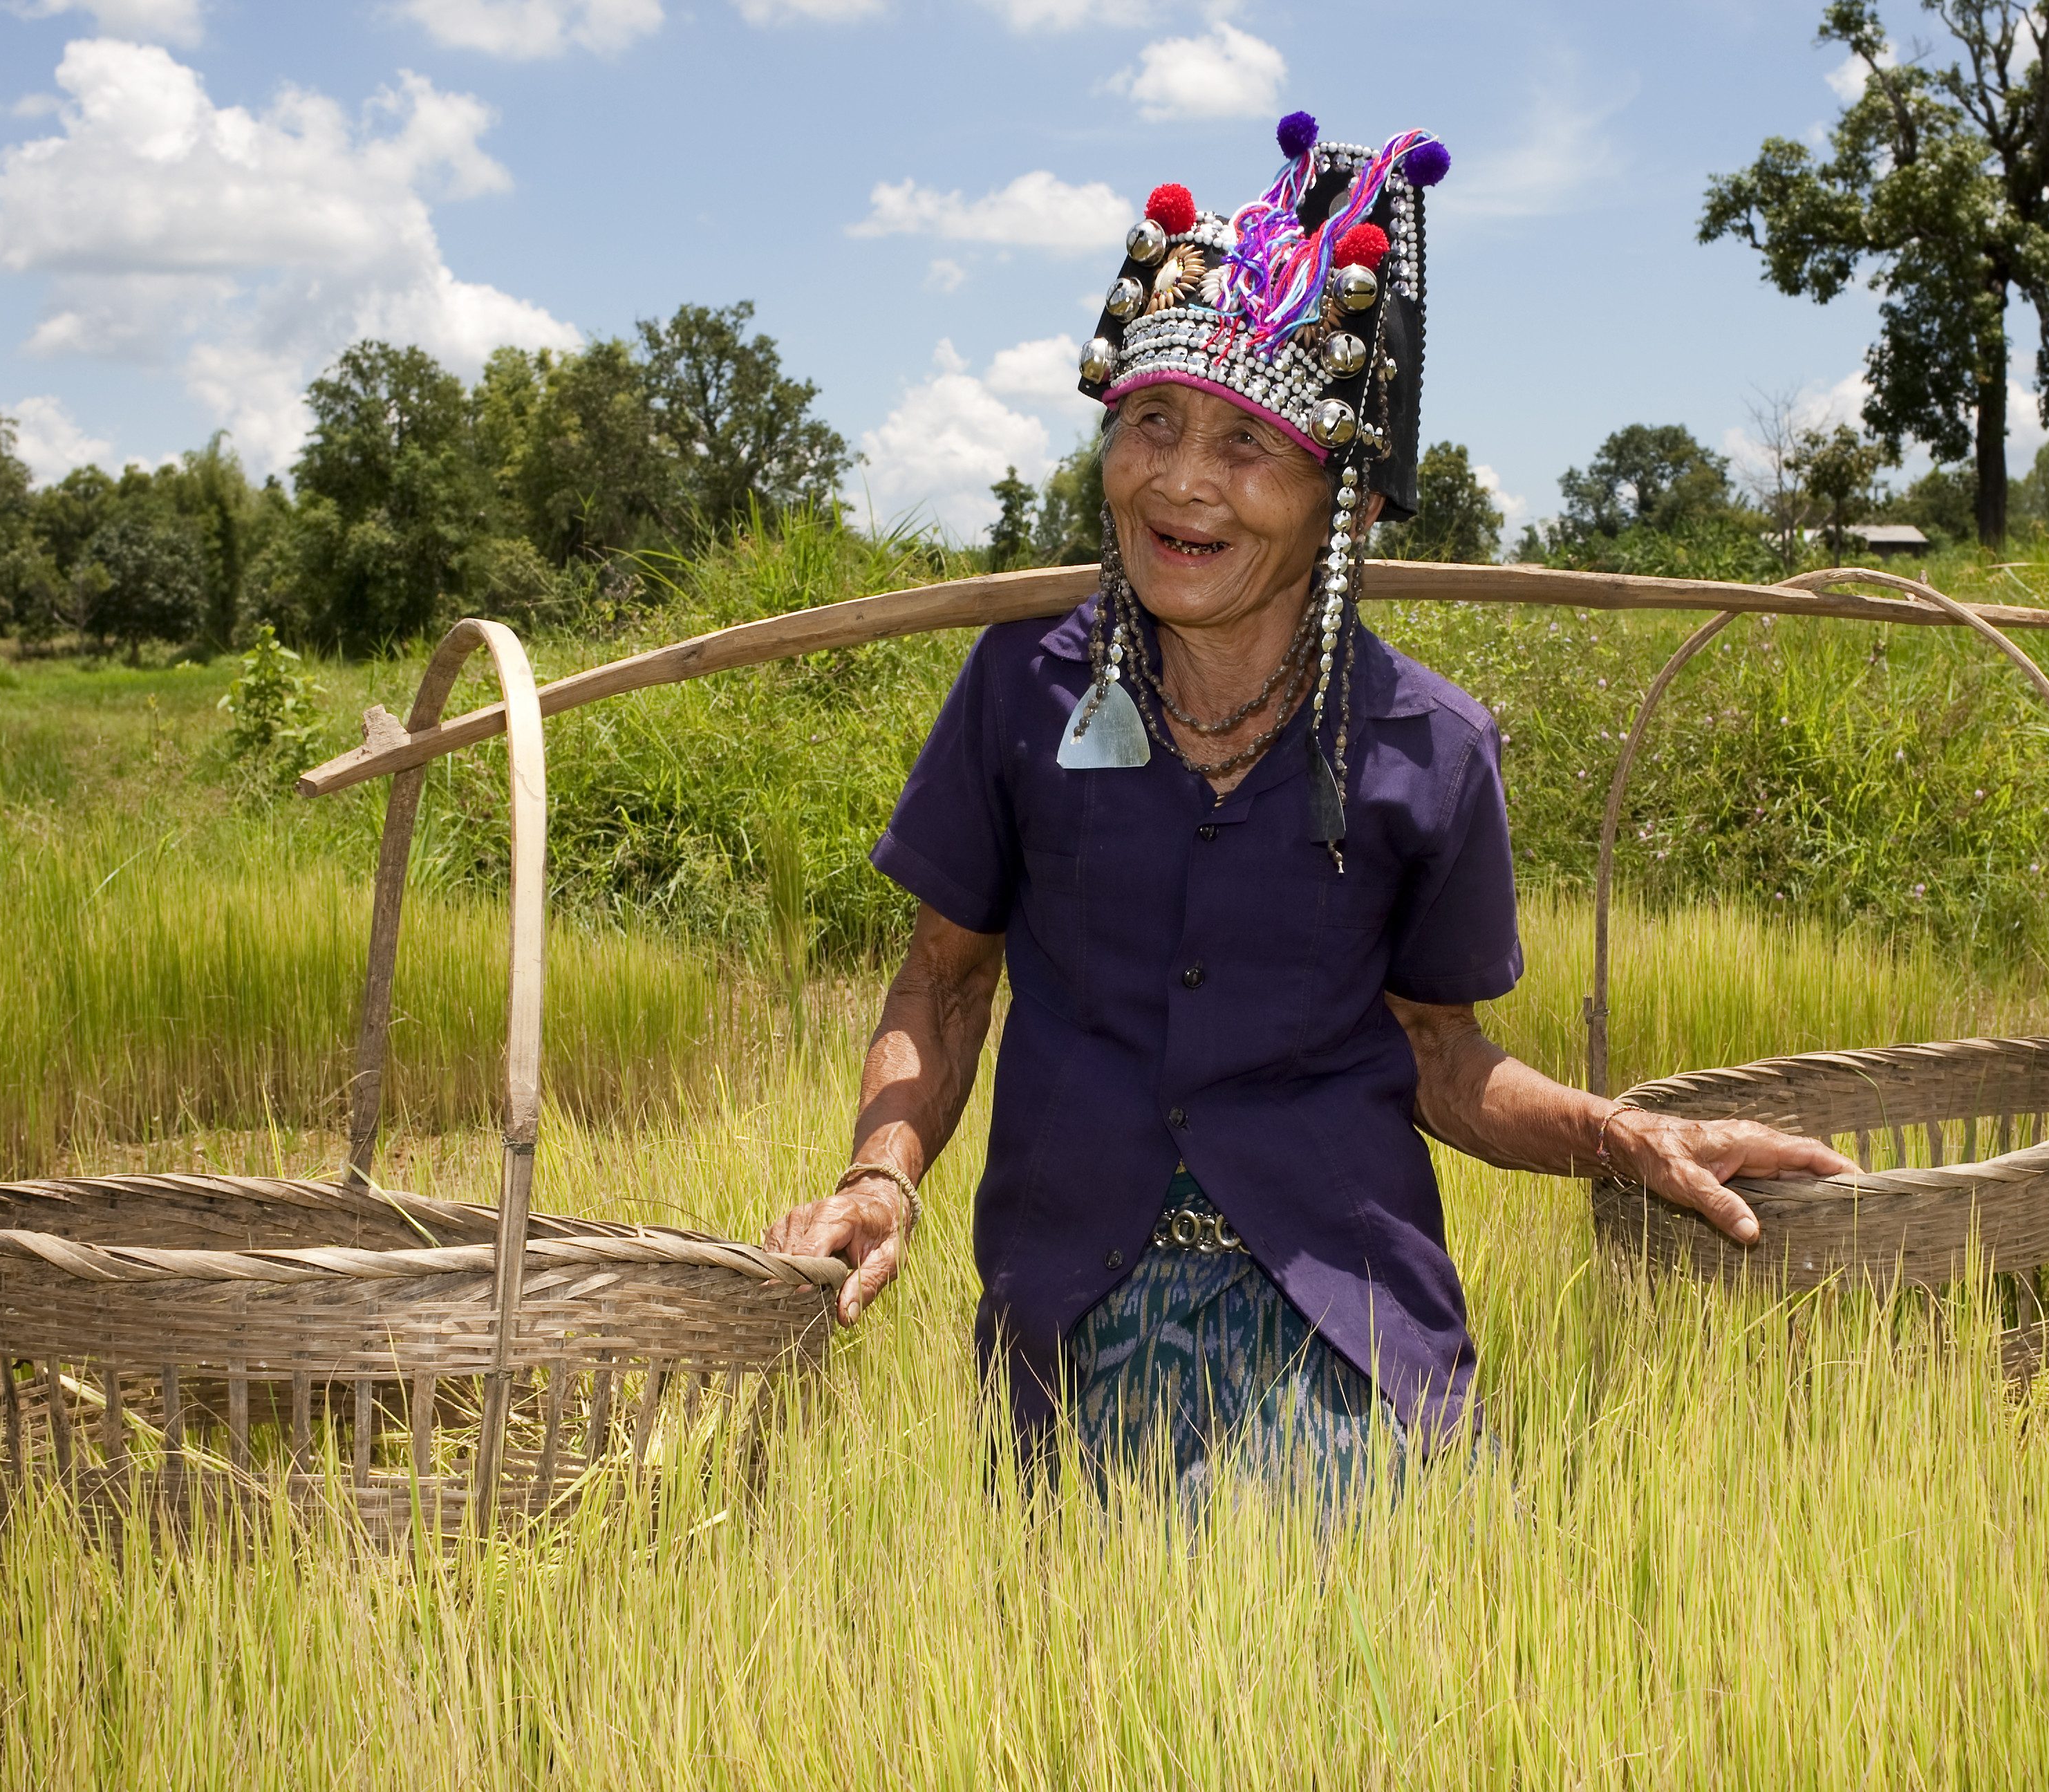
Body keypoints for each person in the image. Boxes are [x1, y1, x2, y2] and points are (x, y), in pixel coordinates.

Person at [765, 113, 1853, 1493]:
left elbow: (1441, 1059)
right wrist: (879, 1171)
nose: (1179, 480)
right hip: (1060, 1332)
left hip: (1344, 1341)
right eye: (1148, 422)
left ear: (1348, 502)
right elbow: (941, 987)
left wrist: (1617, 1138)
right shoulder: (1018, 690)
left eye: (1246, 443)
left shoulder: (1428, 746)